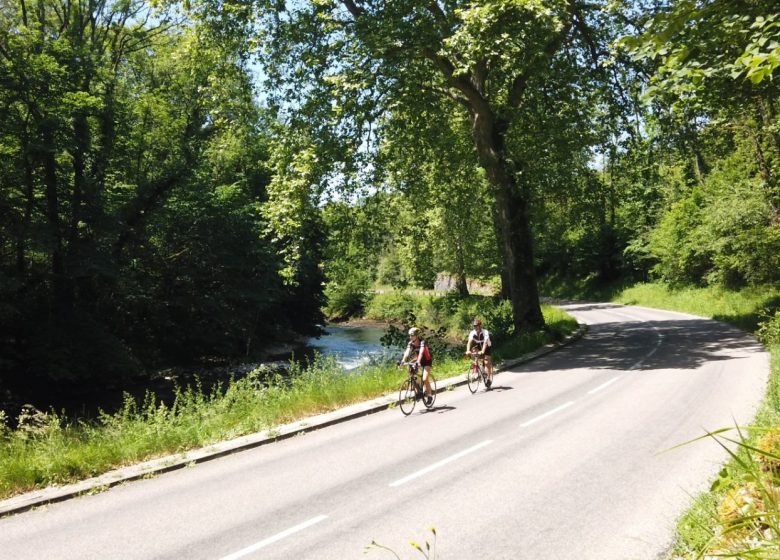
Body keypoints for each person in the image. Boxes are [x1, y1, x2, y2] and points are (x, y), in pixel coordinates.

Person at [400, 327, 434, 405]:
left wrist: (418, 361)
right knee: (410, 370)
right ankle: (418, 390)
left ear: (417, 335)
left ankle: (429, 395)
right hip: (418, 359)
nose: (410, 337)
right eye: (410, 335)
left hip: (426, 361)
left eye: (412, 335)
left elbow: (421, 352)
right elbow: (407, 352)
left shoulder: (423, 342)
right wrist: (403, 361)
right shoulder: (411, 343)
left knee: (425, 379)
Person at [466, 319, 493, 388]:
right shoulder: (472, 333)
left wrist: (483, 351)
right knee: (473, 351)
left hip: (486, 346)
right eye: (475, 326)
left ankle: (488, 378)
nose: (476, 327)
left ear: (480, 326)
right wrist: (468, 350)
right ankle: (476, 368)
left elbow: (485, 343)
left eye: (477, 326)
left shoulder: (485, 332)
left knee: (486, 362)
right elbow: (469, 342)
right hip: (478, 345)